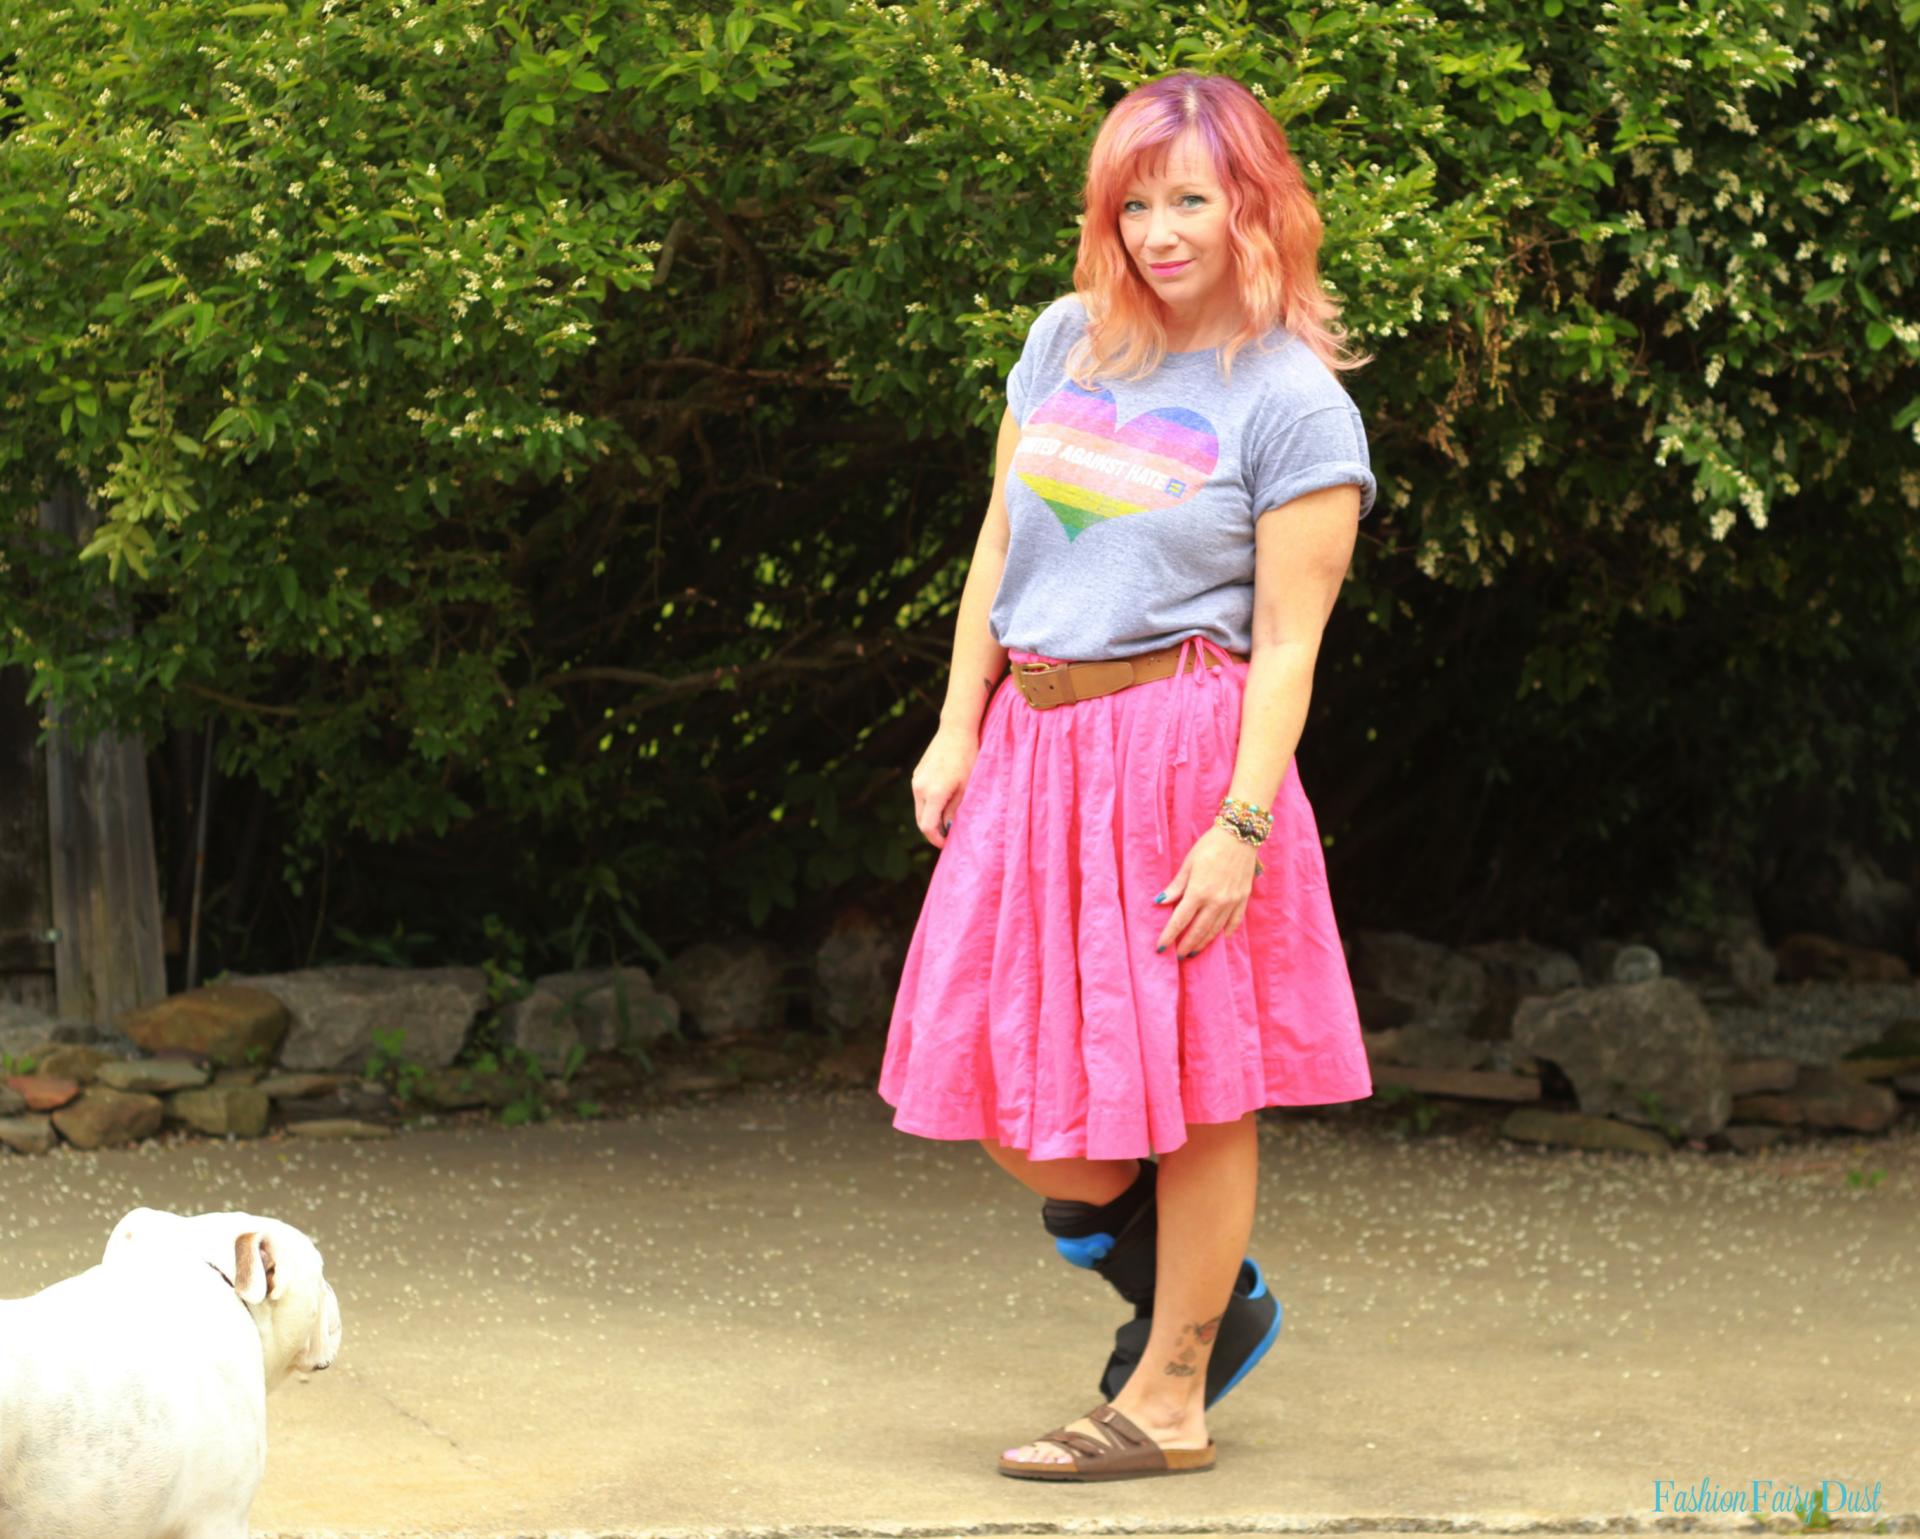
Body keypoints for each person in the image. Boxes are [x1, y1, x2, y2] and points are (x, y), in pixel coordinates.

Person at [877, 70, 1378, 1483]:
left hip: (1182, 756)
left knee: (1200, 1084)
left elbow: (1288, 638)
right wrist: (959, 721)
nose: (1160, 229)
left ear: (1255, 204)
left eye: (1192, 199)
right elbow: (998, 543)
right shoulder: (1066, 341)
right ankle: (1215, 1300)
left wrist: (1241, 823)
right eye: (1135, 201)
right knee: (997, 1082)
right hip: (1037, 750)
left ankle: (1169, 1397)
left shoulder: (1292, 402)